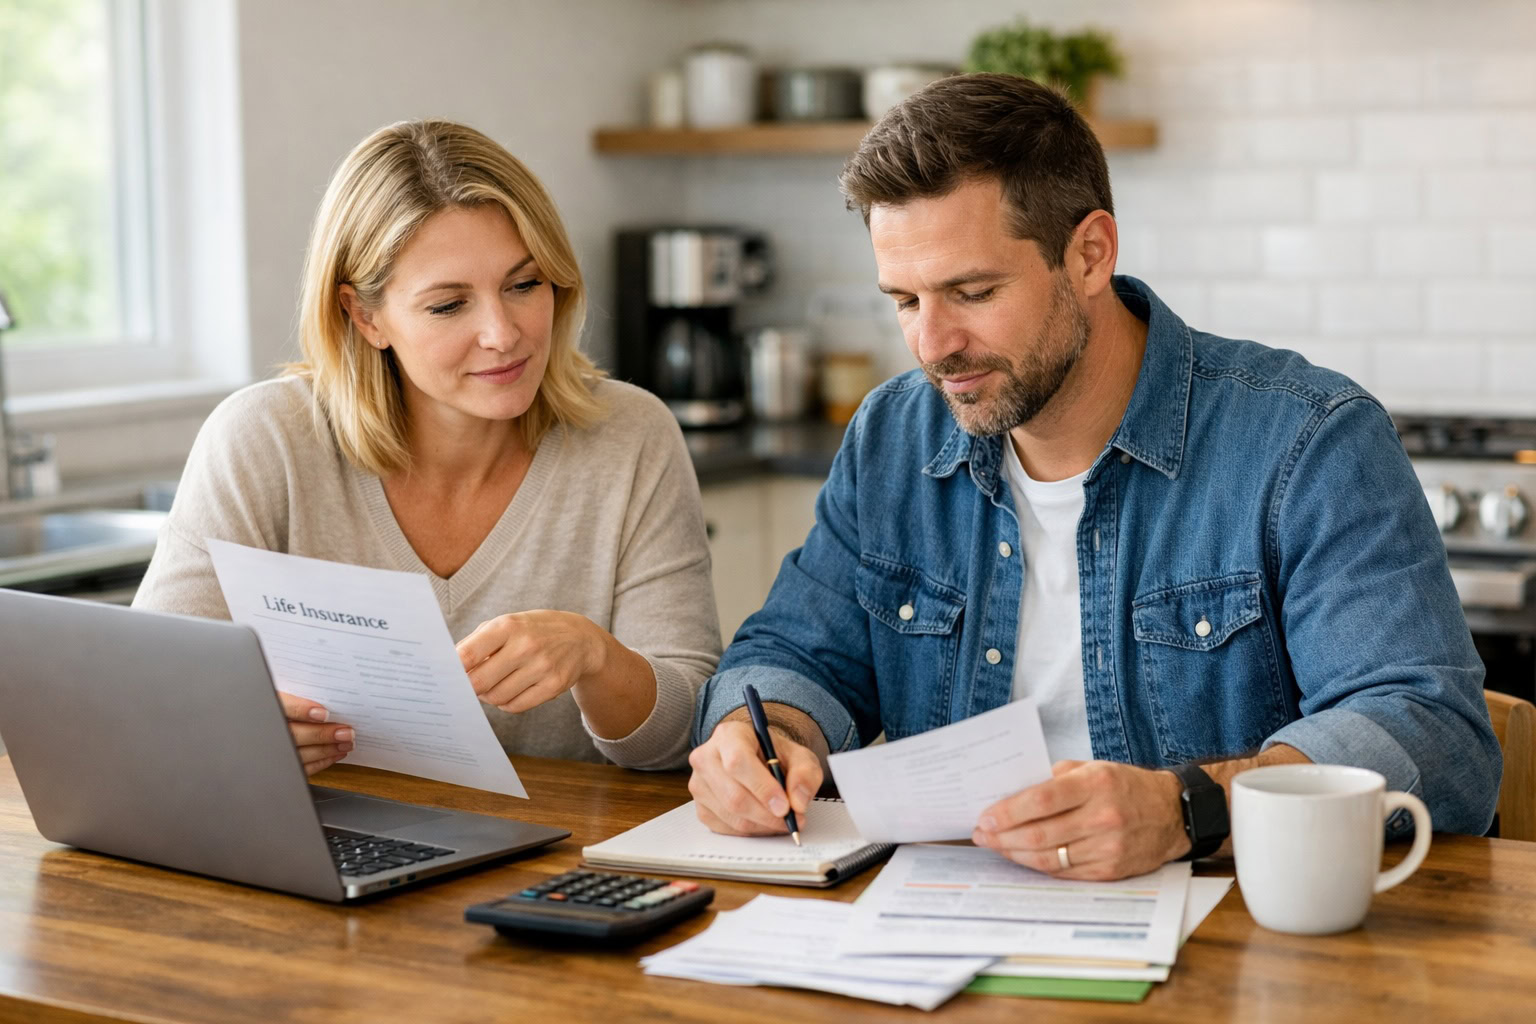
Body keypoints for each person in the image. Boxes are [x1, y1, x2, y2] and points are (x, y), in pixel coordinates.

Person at [686, 74, 1500, 880]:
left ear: (1089, 255)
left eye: (972, 292)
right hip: (946, 939)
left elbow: (1433, 732)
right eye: (903, 300)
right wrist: (761, 739)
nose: (932, 345)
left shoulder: (1307, 441)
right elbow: (796, 652)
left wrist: (1189, 810)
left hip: (1235, 942)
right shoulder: (893, 436)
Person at [135, 119, 720, 773]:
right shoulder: (264, 440)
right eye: (449, 305)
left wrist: (595, 656)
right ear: (365, 316)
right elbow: (155, 697)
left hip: (561, 860)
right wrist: (239, 726)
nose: (503, 334)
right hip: (331, 849)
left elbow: (680, 738)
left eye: (524, 286)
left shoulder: (630, 436)